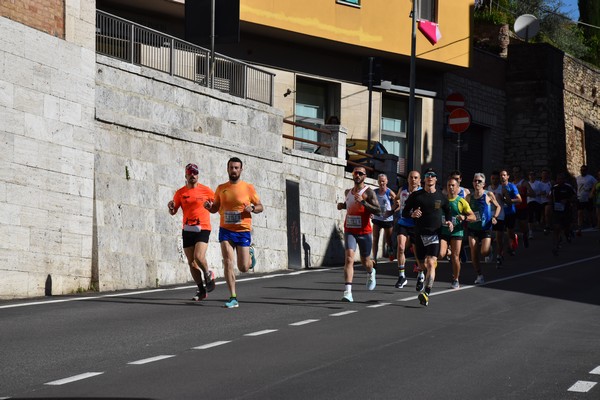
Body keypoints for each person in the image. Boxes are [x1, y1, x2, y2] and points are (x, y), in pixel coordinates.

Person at [204, 157, 263, 308]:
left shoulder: (248, 188)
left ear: (241, 170)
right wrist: (209, 207)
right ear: (227, 169)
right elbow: (215, 208)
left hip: (242, 230)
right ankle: (233, 297)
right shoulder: (221, 188)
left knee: (243, 267)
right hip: (226, 230)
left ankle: (250, 254)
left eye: (237, 168)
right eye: (231, 167)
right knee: (227, 262)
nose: (234, 170)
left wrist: (253, 209)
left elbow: (260, 206)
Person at [401, 168, 453, 307]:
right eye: (427, 175)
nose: (430, 177)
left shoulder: (441, 197)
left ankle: (427, 292)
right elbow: (404, 212)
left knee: (431, 263)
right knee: (423, 265)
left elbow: (448, 211)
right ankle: (422, 275)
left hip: (435, 233)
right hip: (419, 234)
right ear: (424, 179)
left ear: (435, 179)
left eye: (432, 175)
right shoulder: (416, 196)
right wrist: (412, 214)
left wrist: (449, 221)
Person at [168, 163, 216, 301]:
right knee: (191, 262)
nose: (193, 176)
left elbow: (216, 207)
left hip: (203, 227)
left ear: (198, 175)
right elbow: (173, 210)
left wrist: (211, 206)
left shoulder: (206, 191)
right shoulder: (180, 193)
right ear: (186, 175)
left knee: (198, 256)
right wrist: (170, 207)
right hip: (188, 229)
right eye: (190, 173)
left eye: (195, 173)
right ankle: (201, 290)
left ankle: (208, 274)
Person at [336, 166, 381, 302]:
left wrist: (363, 202)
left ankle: (370, 271)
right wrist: (342, 206)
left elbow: (378, 210)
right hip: (350, 230)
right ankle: (348, 292)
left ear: (365, 176)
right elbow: (349, 204)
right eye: (355, 173)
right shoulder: (347, 192)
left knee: (365, 261)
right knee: (349, 259)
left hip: (364, 232)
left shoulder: (369, 193)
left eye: (360, 173)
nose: (357, 175)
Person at [439, 177, 476, 289]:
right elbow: (434, 212)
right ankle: (448, 251)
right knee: (441, 254)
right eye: (449, 185)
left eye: (453, 185)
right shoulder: (441, 200)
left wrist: (464, 217)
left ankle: (455, 279)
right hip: (444, 231)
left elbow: (473, 216)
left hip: (456, 232)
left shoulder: (461, 201)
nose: (451, 187)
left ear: (457, 187)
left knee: (455, 257)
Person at [467, 173, 501, 285]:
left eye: (479, 181)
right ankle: (479, 275)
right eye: (475, 181)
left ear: (484, 184)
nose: (477, 183)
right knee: (473, 251)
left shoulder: (488, 195)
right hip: (472, 228)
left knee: (484, 252)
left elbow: (498, 206)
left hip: (485, 227)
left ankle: (489, 251)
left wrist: (495, 217)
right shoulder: (469, 197)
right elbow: (464, 210)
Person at [393, 170, 422, 289]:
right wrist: (396, 206)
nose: (413, 179)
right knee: (400, 247)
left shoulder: (422, 193)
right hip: (403, 222)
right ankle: (401, 276)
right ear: (408, 179)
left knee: (417, 251)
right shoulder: (403, 190)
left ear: (419, 181)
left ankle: (421, 274)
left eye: (416, 178)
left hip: (416, 225)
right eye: (411, 177)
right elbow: (396, 199)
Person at [550, 172, 576, 255]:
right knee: (556, 228)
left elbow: (574, 197)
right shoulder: (554, 188)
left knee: (566, 228)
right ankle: (555, 246)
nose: (560, 180)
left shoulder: (568, 187)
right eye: (558, 179)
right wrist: (551, 205)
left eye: (561, 179)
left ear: (564, 180)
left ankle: (568, 234)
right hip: (557, 211)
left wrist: (567, 200)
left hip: (566, 211)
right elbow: (550, 197)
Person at [372, 173, 396, 262]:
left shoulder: (390, 192)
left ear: (386, 181)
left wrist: (391, 211)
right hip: (377, 218)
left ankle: (390, 248)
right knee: (375, 238)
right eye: (380, 181)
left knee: (388, 239)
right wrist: (371, 212)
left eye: (383, 181)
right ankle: (374, 258)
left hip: (387, 219)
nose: (381, 183)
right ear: (378, 182)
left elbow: (398, 203)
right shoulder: (374, 192)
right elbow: (370, 203)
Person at [500, 168, 522, 256]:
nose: (502, 177)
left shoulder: (512, 186)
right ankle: (502, 251)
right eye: (501, 175)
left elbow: (519, 200)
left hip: (510, 212)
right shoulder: (498, 187)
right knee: (500, 233)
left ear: (508, 176)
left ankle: (513, 241)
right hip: (500, 213)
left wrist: (509, 201)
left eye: (504, 175)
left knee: (510, 232)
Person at [488, 171, 506, 267]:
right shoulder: (488, 189)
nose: (494, 180)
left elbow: (508, 201)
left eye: (496, 178)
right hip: (489, 215)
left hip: (500, 215)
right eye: (493, 178)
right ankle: (489, 251)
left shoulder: (502, 189)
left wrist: (502, 198)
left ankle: (499, 255)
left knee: (499, 238)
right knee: (488, 237)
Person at [575, 165, 598, 235]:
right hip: (580, 197)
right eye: (581, 170)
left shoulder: (590, 178)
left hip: (588, 198)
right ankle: (579, 227)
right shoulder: (577, 178)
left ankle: (592, 223)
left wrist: (592, 191)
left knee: (590, 212)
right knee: (580, 213)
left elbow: (596, 184)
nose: (582, 171)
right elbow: (576, 186)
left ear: (586, 171)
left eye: (584, 170)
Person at [511, 166, 530, 249]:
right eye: (514, 172)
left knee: (523, 226)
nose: (515, 174)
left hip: (522, 207)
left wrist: (523, 193)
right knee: (511, 227)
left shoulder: (524, 183)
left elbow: (532, 193)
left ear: (520, 173)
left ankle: (525, 235)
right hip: (513, 208)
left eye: (517, 172)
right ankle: (513, 242)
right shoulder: (511, 184)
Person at [525, 170, 542, 239]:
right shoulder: (527, 184)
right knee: (530, 215)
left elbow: (542, 192)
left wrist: (535, 194)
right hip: (529, 201)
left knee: (538, 215)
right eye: (530, 175)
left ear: (535, 176)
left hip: (537, 201)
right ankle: (530, 232)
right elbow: (525, 193)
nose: (531, 176)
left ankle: (538, 222)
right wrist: (530, 194)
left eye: (533, 175)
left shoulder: (539, 183)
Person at [538, 168, 553, 234]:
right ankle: (544, 227)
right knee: (542, 216)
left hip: (548, 201)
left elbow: (553, 191)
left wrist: (550, 195)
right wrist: (541, 193)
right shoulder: (539, 183)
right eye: (543, 174)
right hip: (540, 201)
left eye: (546, 174)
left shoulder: (550, 183)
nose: (544, 175)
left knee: (547, 213)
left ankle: (547, 226)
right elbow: (536, 192)